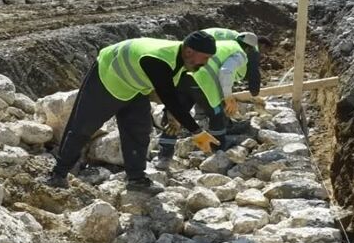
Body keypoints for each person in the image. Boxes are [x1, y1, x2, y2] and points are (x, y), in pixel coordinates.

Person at [48, 32, 221, 190]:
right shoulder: (158, 59)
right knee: (83, 126)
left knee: (139, 129)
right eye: (205, 57)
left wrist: (172, 115)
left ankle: (136, 179)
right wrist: (196, 131)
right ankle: (57, 175)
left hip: (135, 87)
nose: (205, 63)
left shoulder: (183, 60)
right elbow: (168, 95)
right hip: (108, 77)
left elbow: (171, 89)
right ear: (190, 51)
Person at [155, 28, 268, 167]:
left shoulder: (223, 45)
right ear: (249, 48)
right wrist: (228, 97)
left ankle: (164, 156)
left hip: (185, 77)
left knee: (177, 115)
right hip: (204, 82)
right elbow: (226, 71)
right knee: (216, 114)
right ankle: (218, 148)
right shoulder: (240, 53)